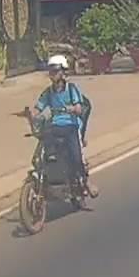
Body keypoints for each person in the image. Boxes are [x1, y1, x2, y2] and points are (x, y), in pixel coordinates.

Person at [31, 55, 98, 198]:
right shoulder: (48, 92)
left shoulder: (72, 89)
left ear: (62, 72)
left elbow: (79, 108)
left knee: (76, 156)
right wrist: (32, 114)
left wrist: (71, 109)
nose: (52, 74)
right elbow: (38, 107)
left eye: (55, 71)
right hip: (55, 125)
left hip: (70, 126)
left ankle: (85, 181)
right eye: (51, 71)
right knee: (45, 137)